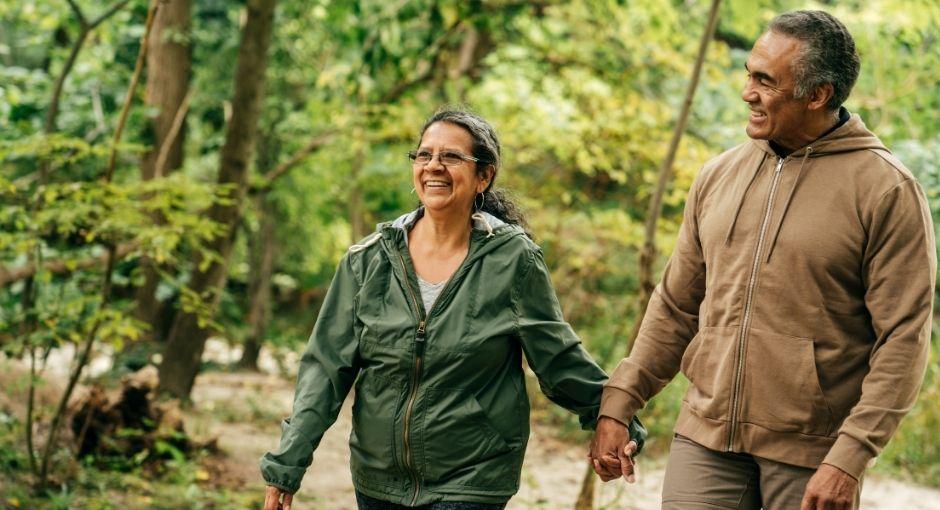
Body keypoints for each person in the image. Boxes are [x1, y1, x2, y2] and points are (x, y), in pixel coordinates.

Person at [590, 10, 935, 510]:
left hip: (811, 455)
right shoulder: (718, 175)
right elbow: (675, 305)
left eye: (765, 81)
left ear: (818, 95)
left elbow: (903, 338)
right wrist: (619, 403)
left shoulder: (886, 190)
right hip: (704, 437)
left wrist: (849, 457)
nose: (747, 91)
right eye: (749, 74)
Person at [261, 108, 646, 510]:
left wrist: (616, 418)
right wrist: (287, 464)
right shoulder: (368, 261)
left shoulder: (513, 261)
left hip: (473, 476)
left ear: (484, 175)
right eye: (424, 155)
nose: (434, 167)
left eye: (451, 157)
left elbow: (558, 359)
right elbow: (324, 371)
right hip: (378, 478)